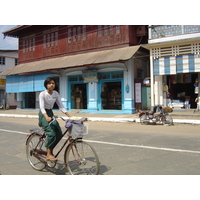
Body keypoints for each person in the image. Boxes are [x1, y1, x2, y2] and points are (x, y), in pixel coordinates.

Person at [39, 77, 71, 161]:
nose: (51, 85)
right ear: (46, 85)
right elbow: (42, 108)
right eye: (49, 83)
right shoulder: (42, 94)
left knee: (59, 133)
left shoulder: (55, 93)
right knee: (51, 133)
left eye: (53, 83)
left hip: (50, 113)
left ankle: (50, 149)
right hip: (44, 114)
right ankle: (48, 154)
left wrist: (70, 116)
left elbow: (61, 106)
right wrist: (46, 117)